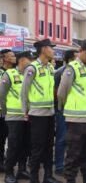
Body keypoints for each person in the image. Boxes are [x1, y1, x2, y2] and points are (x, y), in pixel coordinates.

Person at [57, 39, 86, 183]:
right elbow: (62, 92)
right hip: (75, 120)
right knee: (73, 154)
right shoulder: (72, 68)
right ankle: (71, 180)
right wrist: (65, 108)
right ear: (80, 50)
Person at [21, 39, 61, 183]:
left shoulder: (50, 68)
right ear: (44, 49)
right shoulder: (32, 68)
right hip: (37, 115)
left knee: (49, 145)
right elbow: (24, 91)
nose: (53, 50)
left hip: (49, 113)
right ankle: (34, 178)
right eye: (51, 48)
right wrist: (25, 110)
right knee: (37, 148)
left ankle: (48, 176)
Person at [0, 51, 35, 183]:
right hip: (14, 116)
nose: (31, 62)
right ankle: (9, 172)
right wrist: (5, 112)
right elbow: (1, 95)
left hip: (28, 115)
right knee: (14, 145)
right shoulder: (9, 74)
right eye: (29, 59)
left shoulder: (30, 74)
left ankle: (22, 169)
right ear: (21, 60)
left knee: (26, 144)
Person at [53, 50, 78, 176]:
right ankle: (59, 166)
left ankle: (69, 164)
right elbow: (57, 93)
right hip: (62, 110)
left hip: (74, 111)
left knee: (72, 140)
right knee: (62, 139)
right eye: (76, 57)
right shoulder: (60, 72)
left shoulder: (77, 70)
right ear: (70, 59)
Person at [0, 49, 16, 173]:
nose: (14, 57)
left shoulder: (15, 72)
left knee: (7, 138)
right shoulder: (1, 73)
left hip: (10, 111)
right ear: (4, 59)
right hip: (1, 111)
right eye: (11, 56)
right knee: (1, 138)